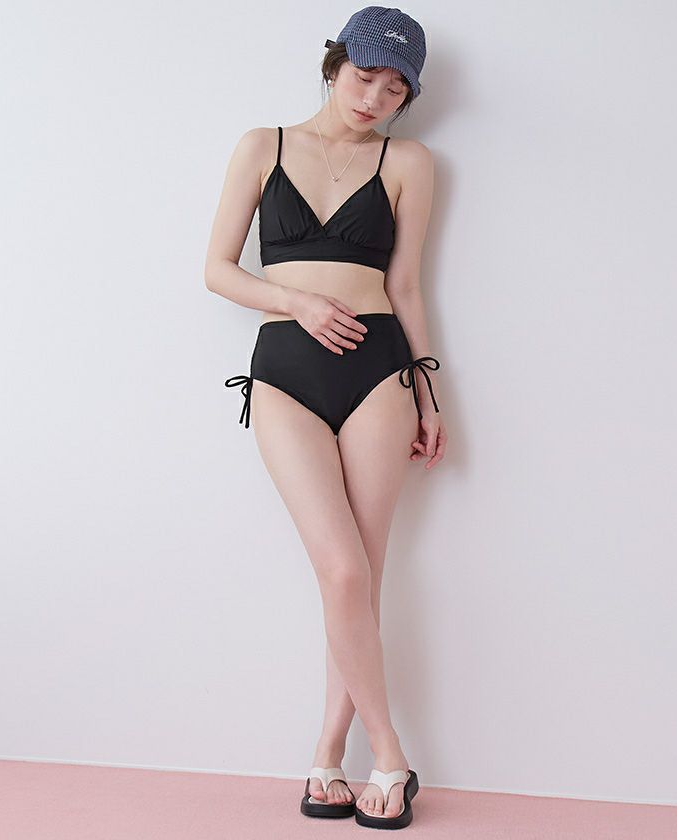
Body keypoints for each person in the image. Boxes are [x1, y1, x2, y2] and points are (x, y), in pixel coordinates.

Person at [205, 6, 447, 830]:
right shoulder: (262, 146)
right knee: (343, 571)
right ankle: (392, 755)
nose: (374, 98)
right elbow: (216, 269)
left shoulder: (408, 161)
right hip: (284, 372)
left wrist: (430, 395)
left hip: (380, 371)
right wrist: (297, 302)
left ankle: (325, 758)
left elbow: (406, 286)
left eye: (395, 89)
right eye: (364, 76)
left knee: (361, 577)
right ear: (334, 66)